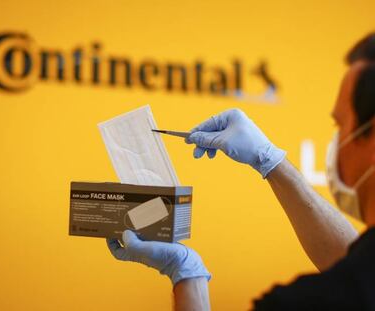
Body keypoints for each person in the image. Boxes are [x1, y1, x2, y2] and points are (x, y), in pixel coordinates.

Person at [106, 33, 375, 311]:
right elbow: (357, 266)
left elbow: (354, 277)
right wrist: (270, 160)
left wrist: (186, 275)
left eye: (339, 125)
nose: (337, 140)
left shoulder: (303, 302)